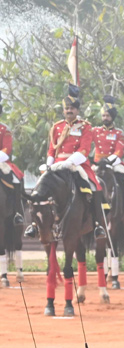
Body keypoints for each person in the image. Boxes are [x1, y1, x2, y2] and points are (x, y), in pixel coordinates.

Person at [27, 85, 105, 239]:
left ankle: (97, 225)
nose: (69, 110)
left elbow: (84, 150)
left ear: (77, 110)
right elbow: (51, 150)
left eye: (72, 108)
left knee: (94, 186)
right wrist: (49, 165)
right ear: (63, 110)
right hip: (56, 165)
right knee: (38, 189)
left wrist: (69, 162)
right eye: (67, 108)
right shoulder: (57, 127)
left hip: (77, 164)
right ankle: (34, 225)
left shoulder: (85, 127)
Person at [91, 95, 124, 229]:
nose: (105, 118)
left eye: (107, 116)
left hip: (114, 162)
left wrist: (108, 160)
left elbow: (119, 152)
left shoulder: (119, 133)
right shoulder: (95, 131)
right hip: (97, 164)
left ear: (112, 117)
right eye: (103, 116)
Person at [0, 90, 25, 226]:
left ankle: (17, 213)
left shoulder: (4, 129)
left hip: (2, 161)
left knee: (16, 180)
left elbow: (6, 149)